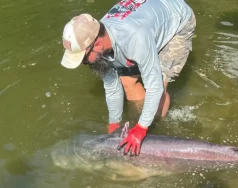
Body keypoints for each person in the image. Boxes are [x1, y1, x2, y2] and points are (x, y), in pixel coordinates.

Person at [60, 0, 196, 156]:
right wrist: (114, 125)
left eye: (84, 59)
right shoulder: (98, 36)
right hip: (146, 24)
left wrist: (141, 128)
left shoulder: (135, 38)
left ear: (97, 45)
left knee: (159, 87)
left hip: (177, 20)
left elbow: (155, 87)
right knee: (127, 82)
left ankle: (157, 127)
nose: (84, 63)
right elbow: (112, 87)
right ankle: (142, 121)